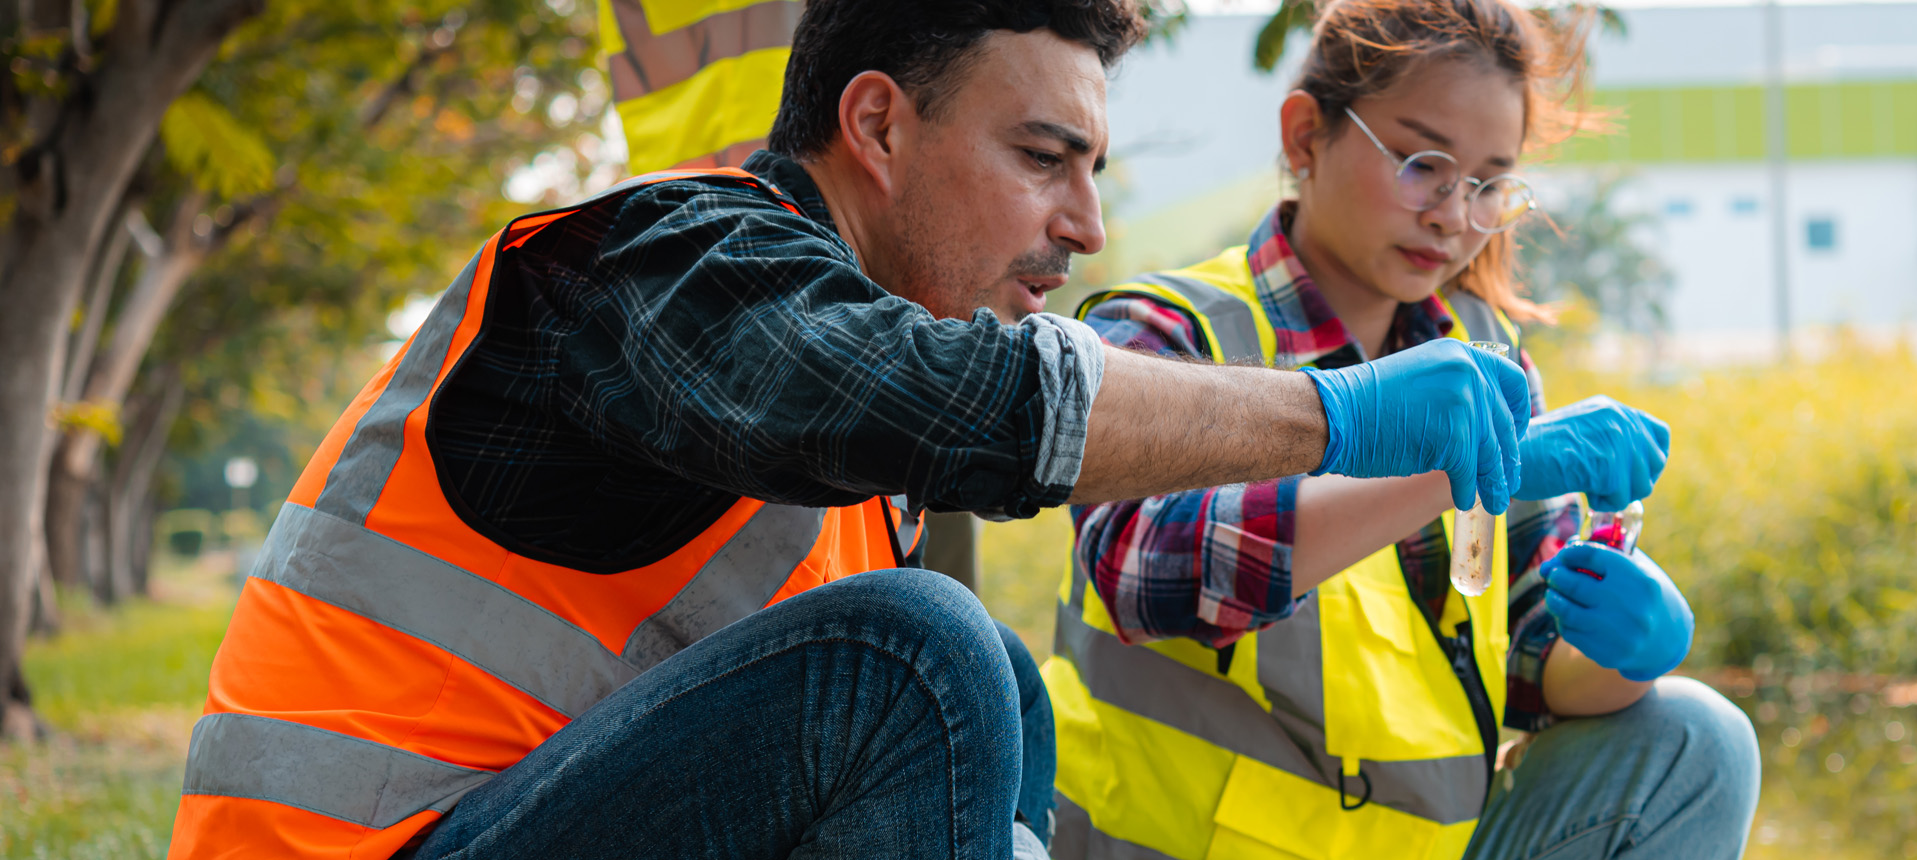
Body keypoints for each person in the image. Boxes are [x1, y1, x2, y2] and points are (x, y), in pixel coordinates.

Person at [169, 2, 1539, 858]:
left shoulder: (833, 424)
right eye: (1041, 157)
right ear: (877, 123)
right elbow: (938, 399)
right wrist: (1334, 415)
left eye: (1094, 171)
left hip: (519, 818)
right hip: (372, 846)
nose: (1087, 226)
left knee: (983, 663)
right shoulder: (664, 261)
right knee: (917, 652)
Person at [1045, 2, 1762, 858]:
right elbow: (1141, 568)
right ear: (1306, 136)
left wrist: (1626, 649)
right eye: (1423, 163)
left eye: (1488, 183)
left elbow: (1536, 666)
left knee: (1696, 737)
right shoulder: (1163, 332)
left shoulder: (1490, 358)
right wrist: (1454, 464)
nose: (1452, 216)